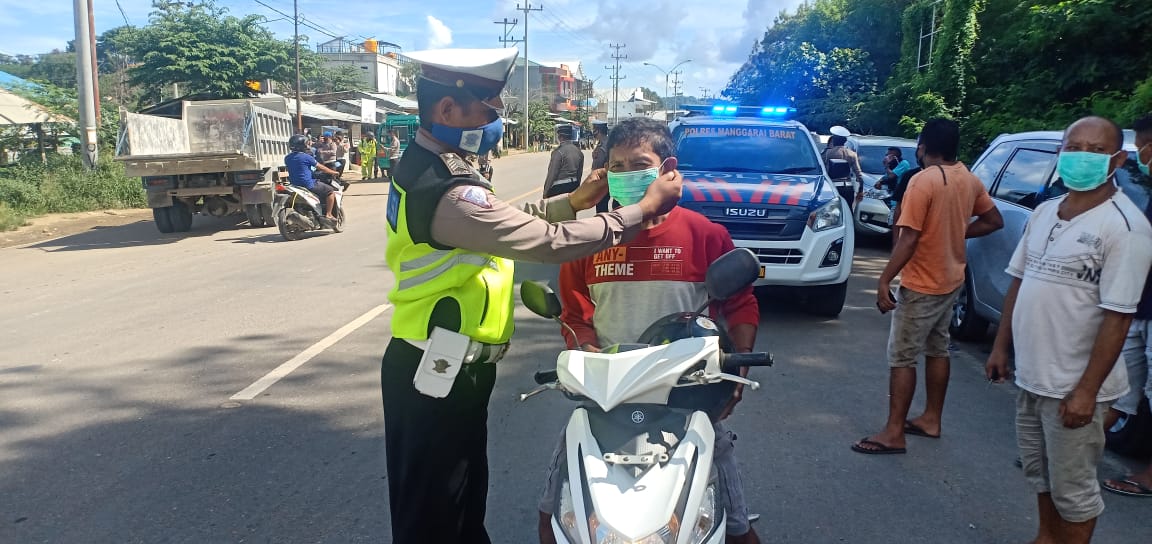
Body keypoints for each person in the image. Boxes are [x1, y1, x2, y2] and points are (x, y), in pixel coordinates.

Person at [380, 47, 684, 544]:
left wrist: (574, 202)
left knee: (458, 504)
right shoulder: (445, 187)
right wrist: (639, 211)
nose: (496, 118)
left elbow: (511, 221)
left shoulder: (438, 167)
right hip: (433, 371)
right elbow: (546, 244)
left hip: (451, 368)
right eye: (487, 107)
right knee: (432, 518)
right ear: (447, 111)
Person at [535, 118, 762, 544]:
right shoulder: (591, 239)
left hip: (687, 399)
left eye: (638, 163)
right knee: (556, 517)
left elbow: (740, 303)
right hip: (606, 396)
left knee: (734, 526)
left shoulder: (705, 235)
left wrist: (737, 373)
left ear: (667, 168)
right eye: (616, 166)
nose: (625, 174)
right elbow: (575, 313)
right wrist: (586, 354)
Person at [985, 116, 1152, 543]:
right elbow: (1019, 282)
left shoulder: (1125, 227)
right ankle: (1045, 537)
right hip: (1032, 378)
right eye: (1073, 146)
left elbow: (1118, 317)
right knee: (1041, 475)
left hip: (1075, 389)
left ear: (1116, 159)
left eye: (1095, 150)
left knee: (1074, 490)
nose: (1082, 156)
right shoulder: (1043, 213)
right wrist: (1000, 347)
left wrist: (1086, 392)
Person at [853, 118, 1004, 455]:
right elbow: (994, 220)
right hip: (951, 279)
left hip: (922, 283)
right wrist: (956, 232)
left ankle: (894, 432)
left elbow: (908, 240)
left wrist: (883, 279)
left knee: (902, 357)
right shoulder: (969, 179)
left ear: (922, 147)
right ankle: (931, 418)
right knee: (937, 349)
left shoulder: (923, 182)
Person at [1101, 114, 1152, 498]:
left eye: (1147, 145)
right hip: (1141, 305)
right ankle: (1071, 447)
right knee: (1121, 386)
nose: (1145, 155)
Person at [284, 134, 341, 225]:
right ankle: (329, 214)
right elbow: (321, 167)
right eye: (306, 143)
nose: (308, 145)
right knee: (330, 191)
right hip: (308, 184)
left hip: (294, 184)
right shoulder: (306, 157)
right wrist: (333, 172)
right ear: (302, 145)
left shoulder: (287, 158)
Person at [822, 125, 863, 207]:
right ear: (845, 141)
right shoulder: (852, 154)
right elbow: (858, 173)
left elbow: (822, 169)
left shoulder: (828, 153)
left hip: (833, 187)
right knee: (849, 210)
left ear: (834, 140)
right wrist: (860, 190)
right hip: (848, 187)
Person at [542, 124, 584, 198]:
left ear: (560, 137)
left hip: (559, 188)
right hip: (574, 185)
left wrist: (546, 191)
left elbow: (552, 173)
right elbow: (579, 173)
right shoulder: (579, 152)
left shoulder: (558, 152)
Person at [591, 122, 611, 213]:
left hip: (601, 180)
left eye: (594, 129)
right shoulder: (609, 142)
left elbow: (597, 166)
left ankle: (604, 226)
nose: (592, 132)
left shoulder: (602, 145)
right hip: (609, 180)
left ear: (598, 131)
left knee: (601, 208)